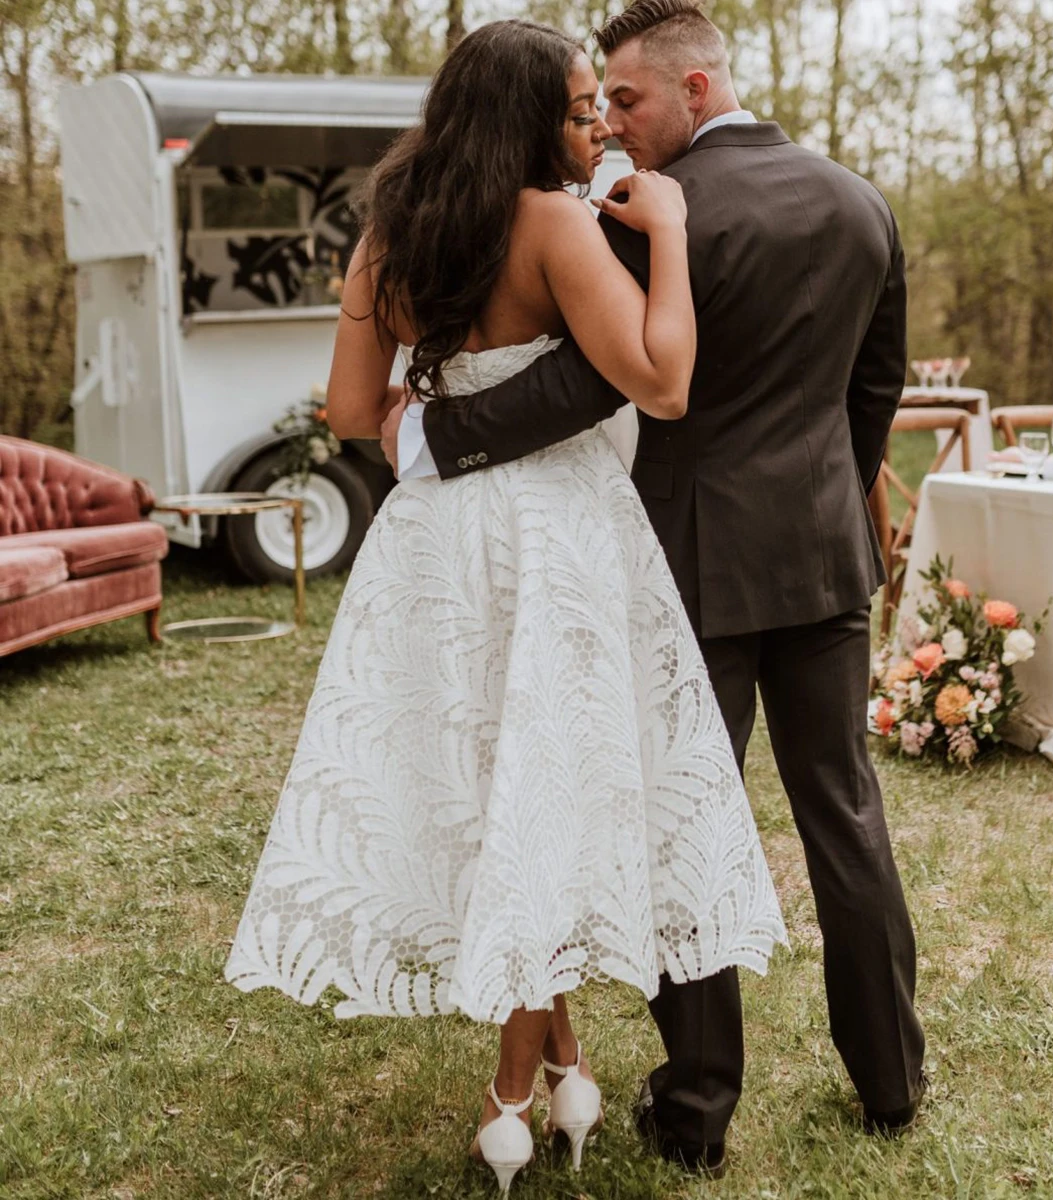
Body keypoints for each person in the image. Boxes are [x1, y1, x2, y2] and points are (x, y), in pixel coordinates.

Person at [224, 18, 786, 1195]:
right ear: (534, 114)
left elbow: (345, 409)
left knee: (503, 791)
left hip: (435, 544)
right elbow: (665, 382)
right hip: (558, 536)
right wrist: (670, 233)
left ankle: (565, 1073)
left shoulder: (392, 227)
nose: (593, 123)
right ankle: (508, 1104)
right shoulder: (554, 225)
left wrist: (411, 411)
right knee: (545, 794)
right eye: (582, 106)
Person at [382, 0, 927, 1174]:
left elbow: (586, 387)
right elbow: (871, 394)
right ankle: (892, 1083)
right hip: (827, 556)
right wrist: (848, 504)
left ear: (693, 88)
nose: (611, 127)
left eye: (625, 100)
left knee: (683, 827)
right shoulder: (859, 200)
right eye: (601, 106)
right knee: (845, 813)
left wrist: (437, 438)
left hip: (694, 567)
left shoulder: (644, 218)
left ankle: (696, 1113)